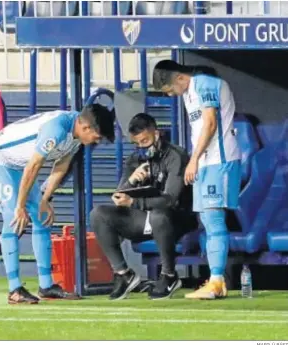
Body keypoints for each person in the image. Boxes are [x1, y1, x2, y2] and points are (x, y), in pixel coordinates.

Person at [0, 104, 115, 304]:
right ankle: (14, 289)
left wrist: (44, 200)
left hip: (19, 166)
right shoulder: (57, 130)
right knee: (13, 219)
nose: (98, 141)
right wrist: (20, 206)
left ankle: (46, 286)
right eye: (98, 136)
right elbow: (34, 165)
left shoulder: (76, 134)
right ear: (86, 128)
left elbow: (61, 165)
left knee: (42, 217)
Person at [152, 60, 241, 299]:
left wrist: (193, 160)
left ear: (179, 78)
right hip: (204, 163)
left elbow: (211, 124)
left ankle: (216, 281)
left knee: (213, 217)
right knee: (207, 219)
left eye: (169, 89)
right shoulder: (187, 94)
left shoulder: (206, 84)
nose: (169, 95)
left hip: (219, 161)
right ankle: (216, 281)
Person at [90, 113, 196, 301]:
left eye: (145, 140)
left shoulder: (175, 156)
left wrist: (134, 202)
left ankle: (169, 275)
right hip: (143, 218)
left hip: (176, 219)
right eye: (137, 143)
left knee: (158, 215)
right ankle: (124, 274)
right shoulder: (135, 159)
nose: (142, 146)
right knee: (98, 214)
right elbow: (118, 195)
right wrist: (131, 181)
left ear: (156, 133)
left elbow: (171, 199)